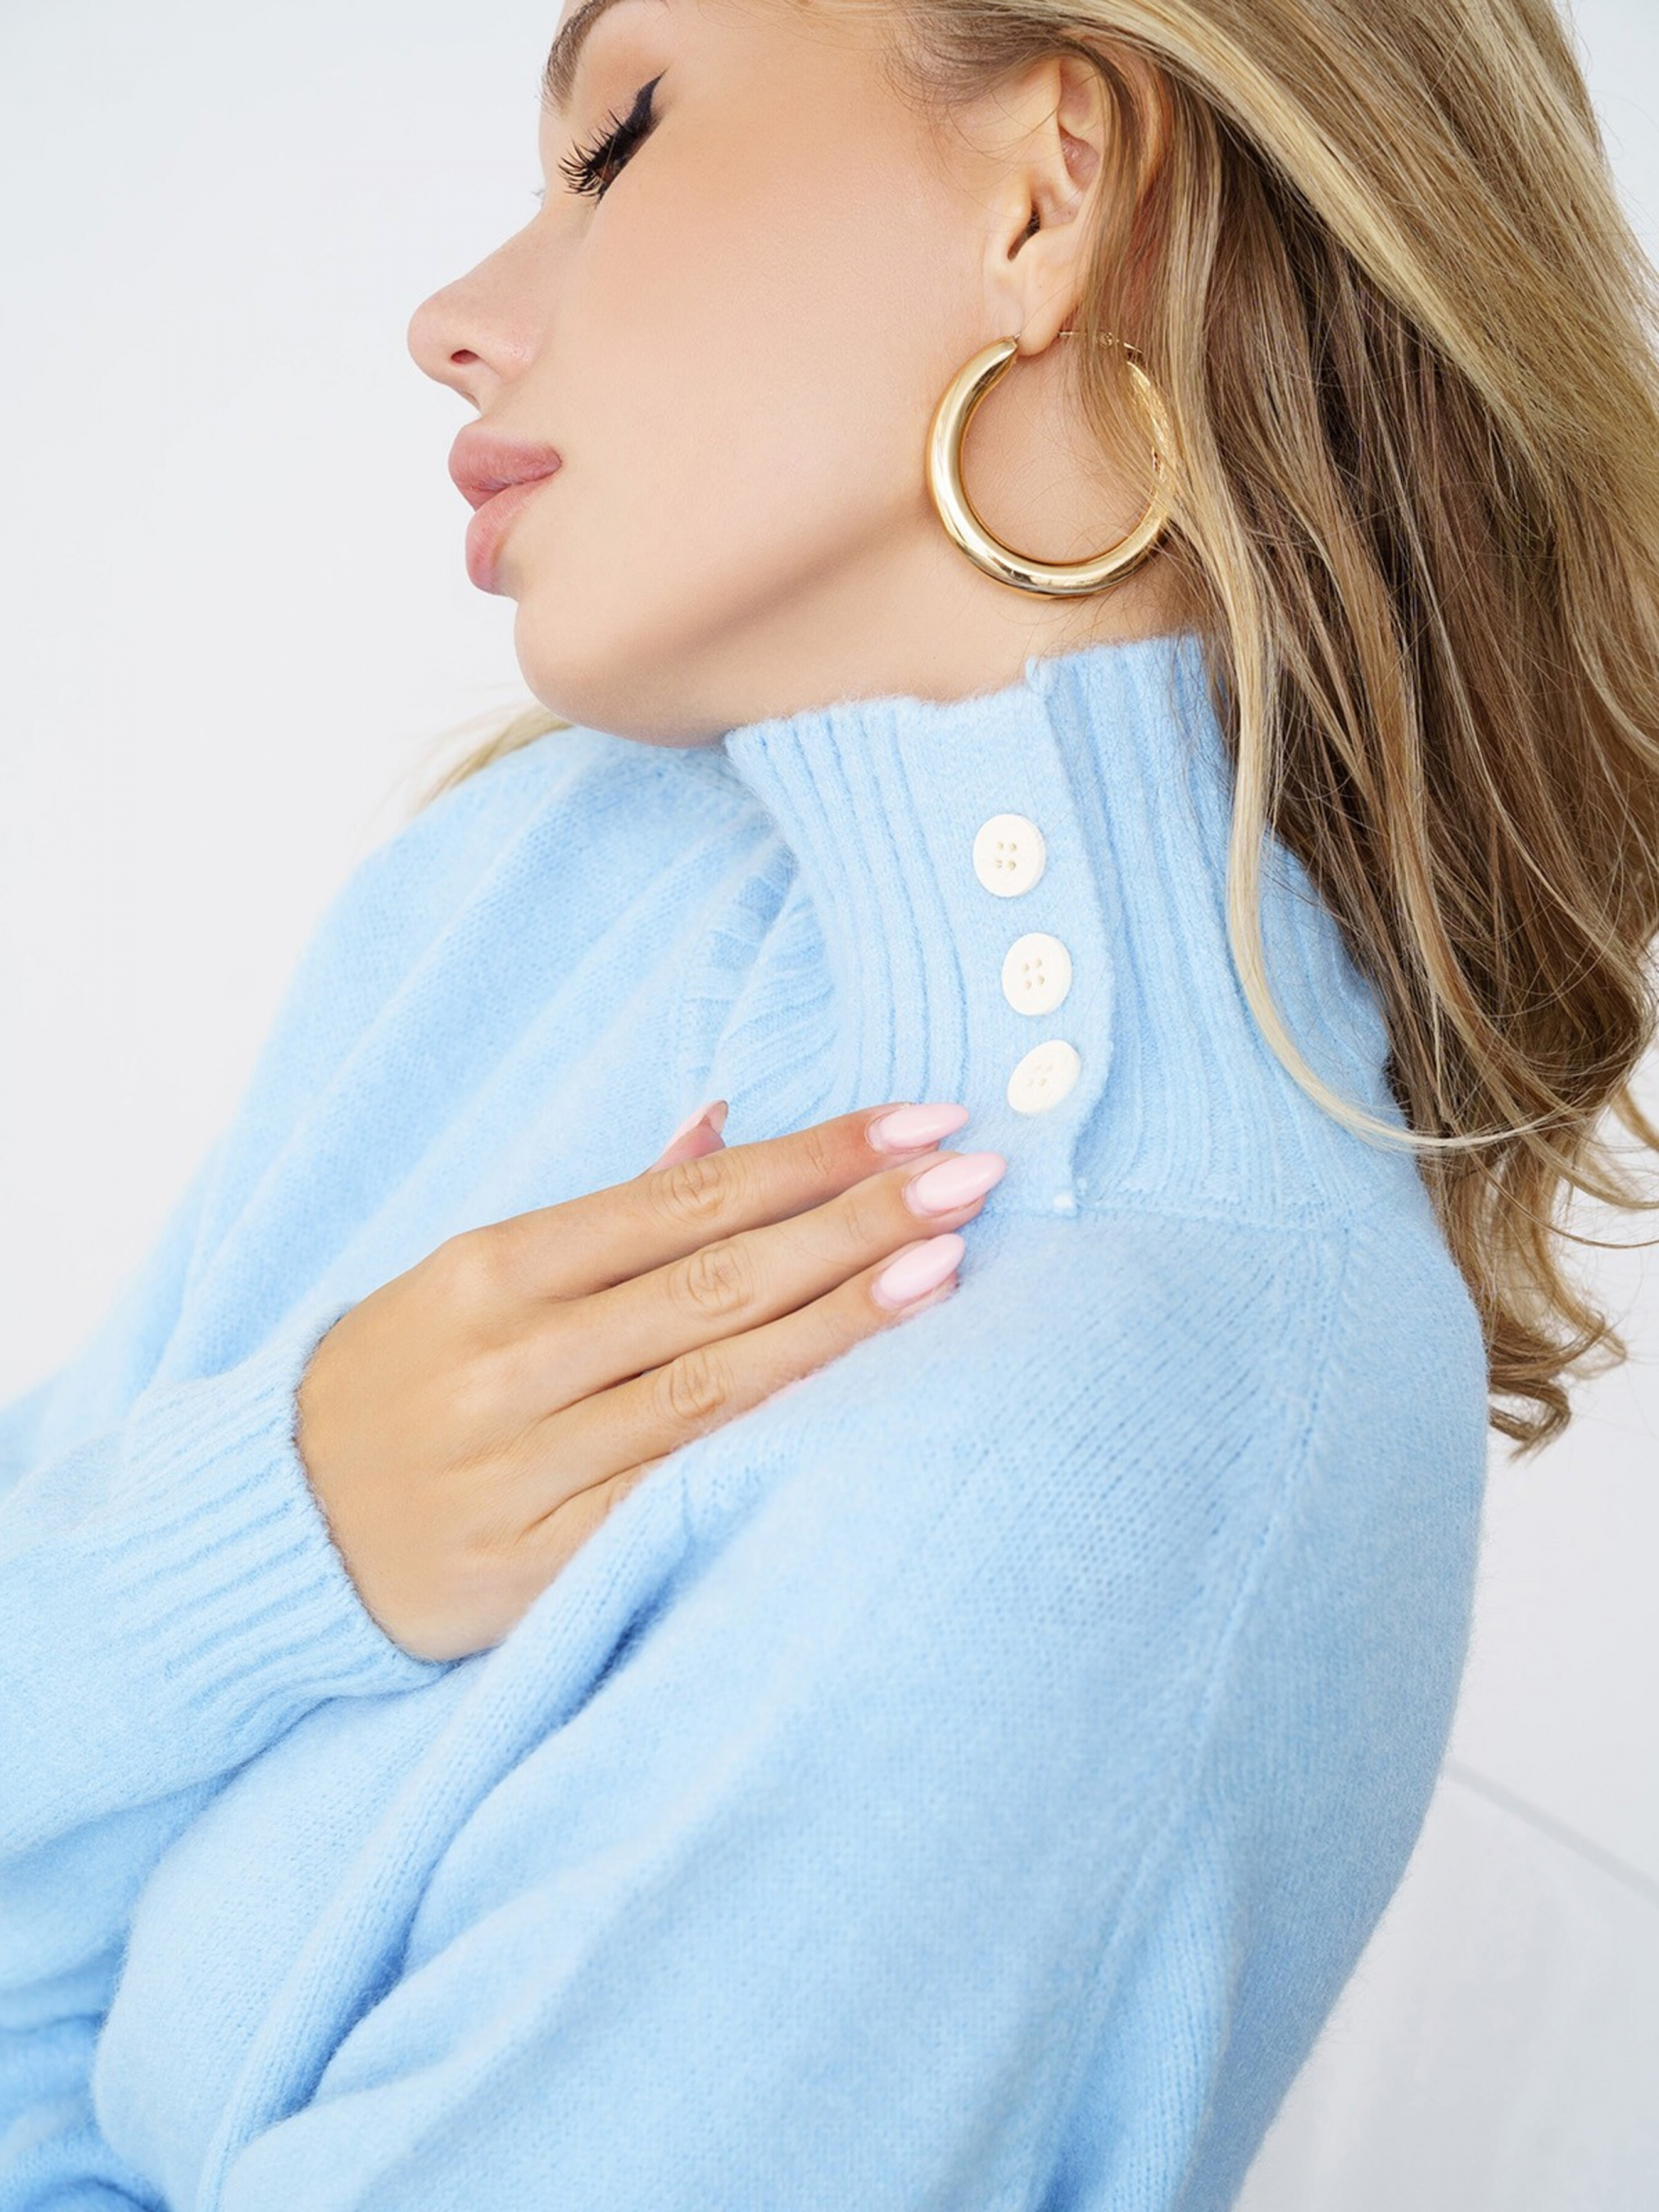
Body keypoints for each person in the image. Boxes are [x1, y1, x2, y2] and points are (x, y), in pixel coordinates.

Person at [5, 0, 1658, 2204]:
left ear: (1047, 195)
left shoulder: (1135, 1406)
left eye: (619, 140)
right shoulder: (534, 879)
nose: (452, 319)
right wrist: (265, 1537)